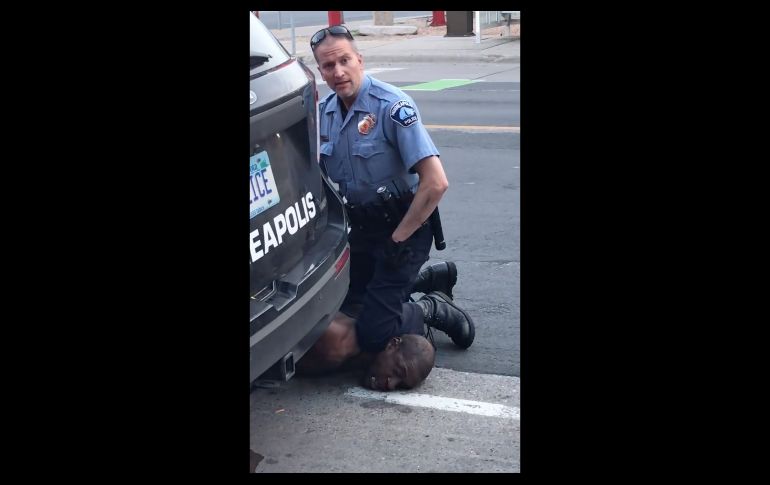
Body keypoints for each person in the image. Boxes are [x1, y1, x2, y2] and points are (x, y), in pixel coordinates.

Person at [305, 25, 475, 387]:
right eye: (328, 66)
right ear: (320, 71)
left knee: (371, 334)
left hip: (404, 230)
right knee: (345, 308)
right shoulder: (325, 115)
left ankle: (429, 307)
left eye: (344, 61)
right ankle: (421, 280)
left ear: (359, 60)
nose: (338, 72)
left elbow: (436, 183)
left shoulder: (392, 107)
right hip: (361, 230)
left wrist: (399, 239)